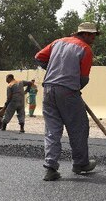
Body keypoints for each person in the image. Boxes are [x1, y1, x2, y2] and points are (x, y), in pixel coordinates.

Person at [35, 22, 100, 181]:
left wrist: (52, 68)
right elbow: (84, 78)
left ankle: (50, 168)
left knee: (52, 130)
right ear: (84, 34)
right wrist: (75, 88)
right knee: (79, 127)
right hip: (68, 91)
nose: (93, 38)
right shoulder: (85, 49)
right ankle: (80, 164)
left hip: (49, 89)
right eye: (92, 35)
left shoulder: (57, 42)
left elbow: (39, 57)